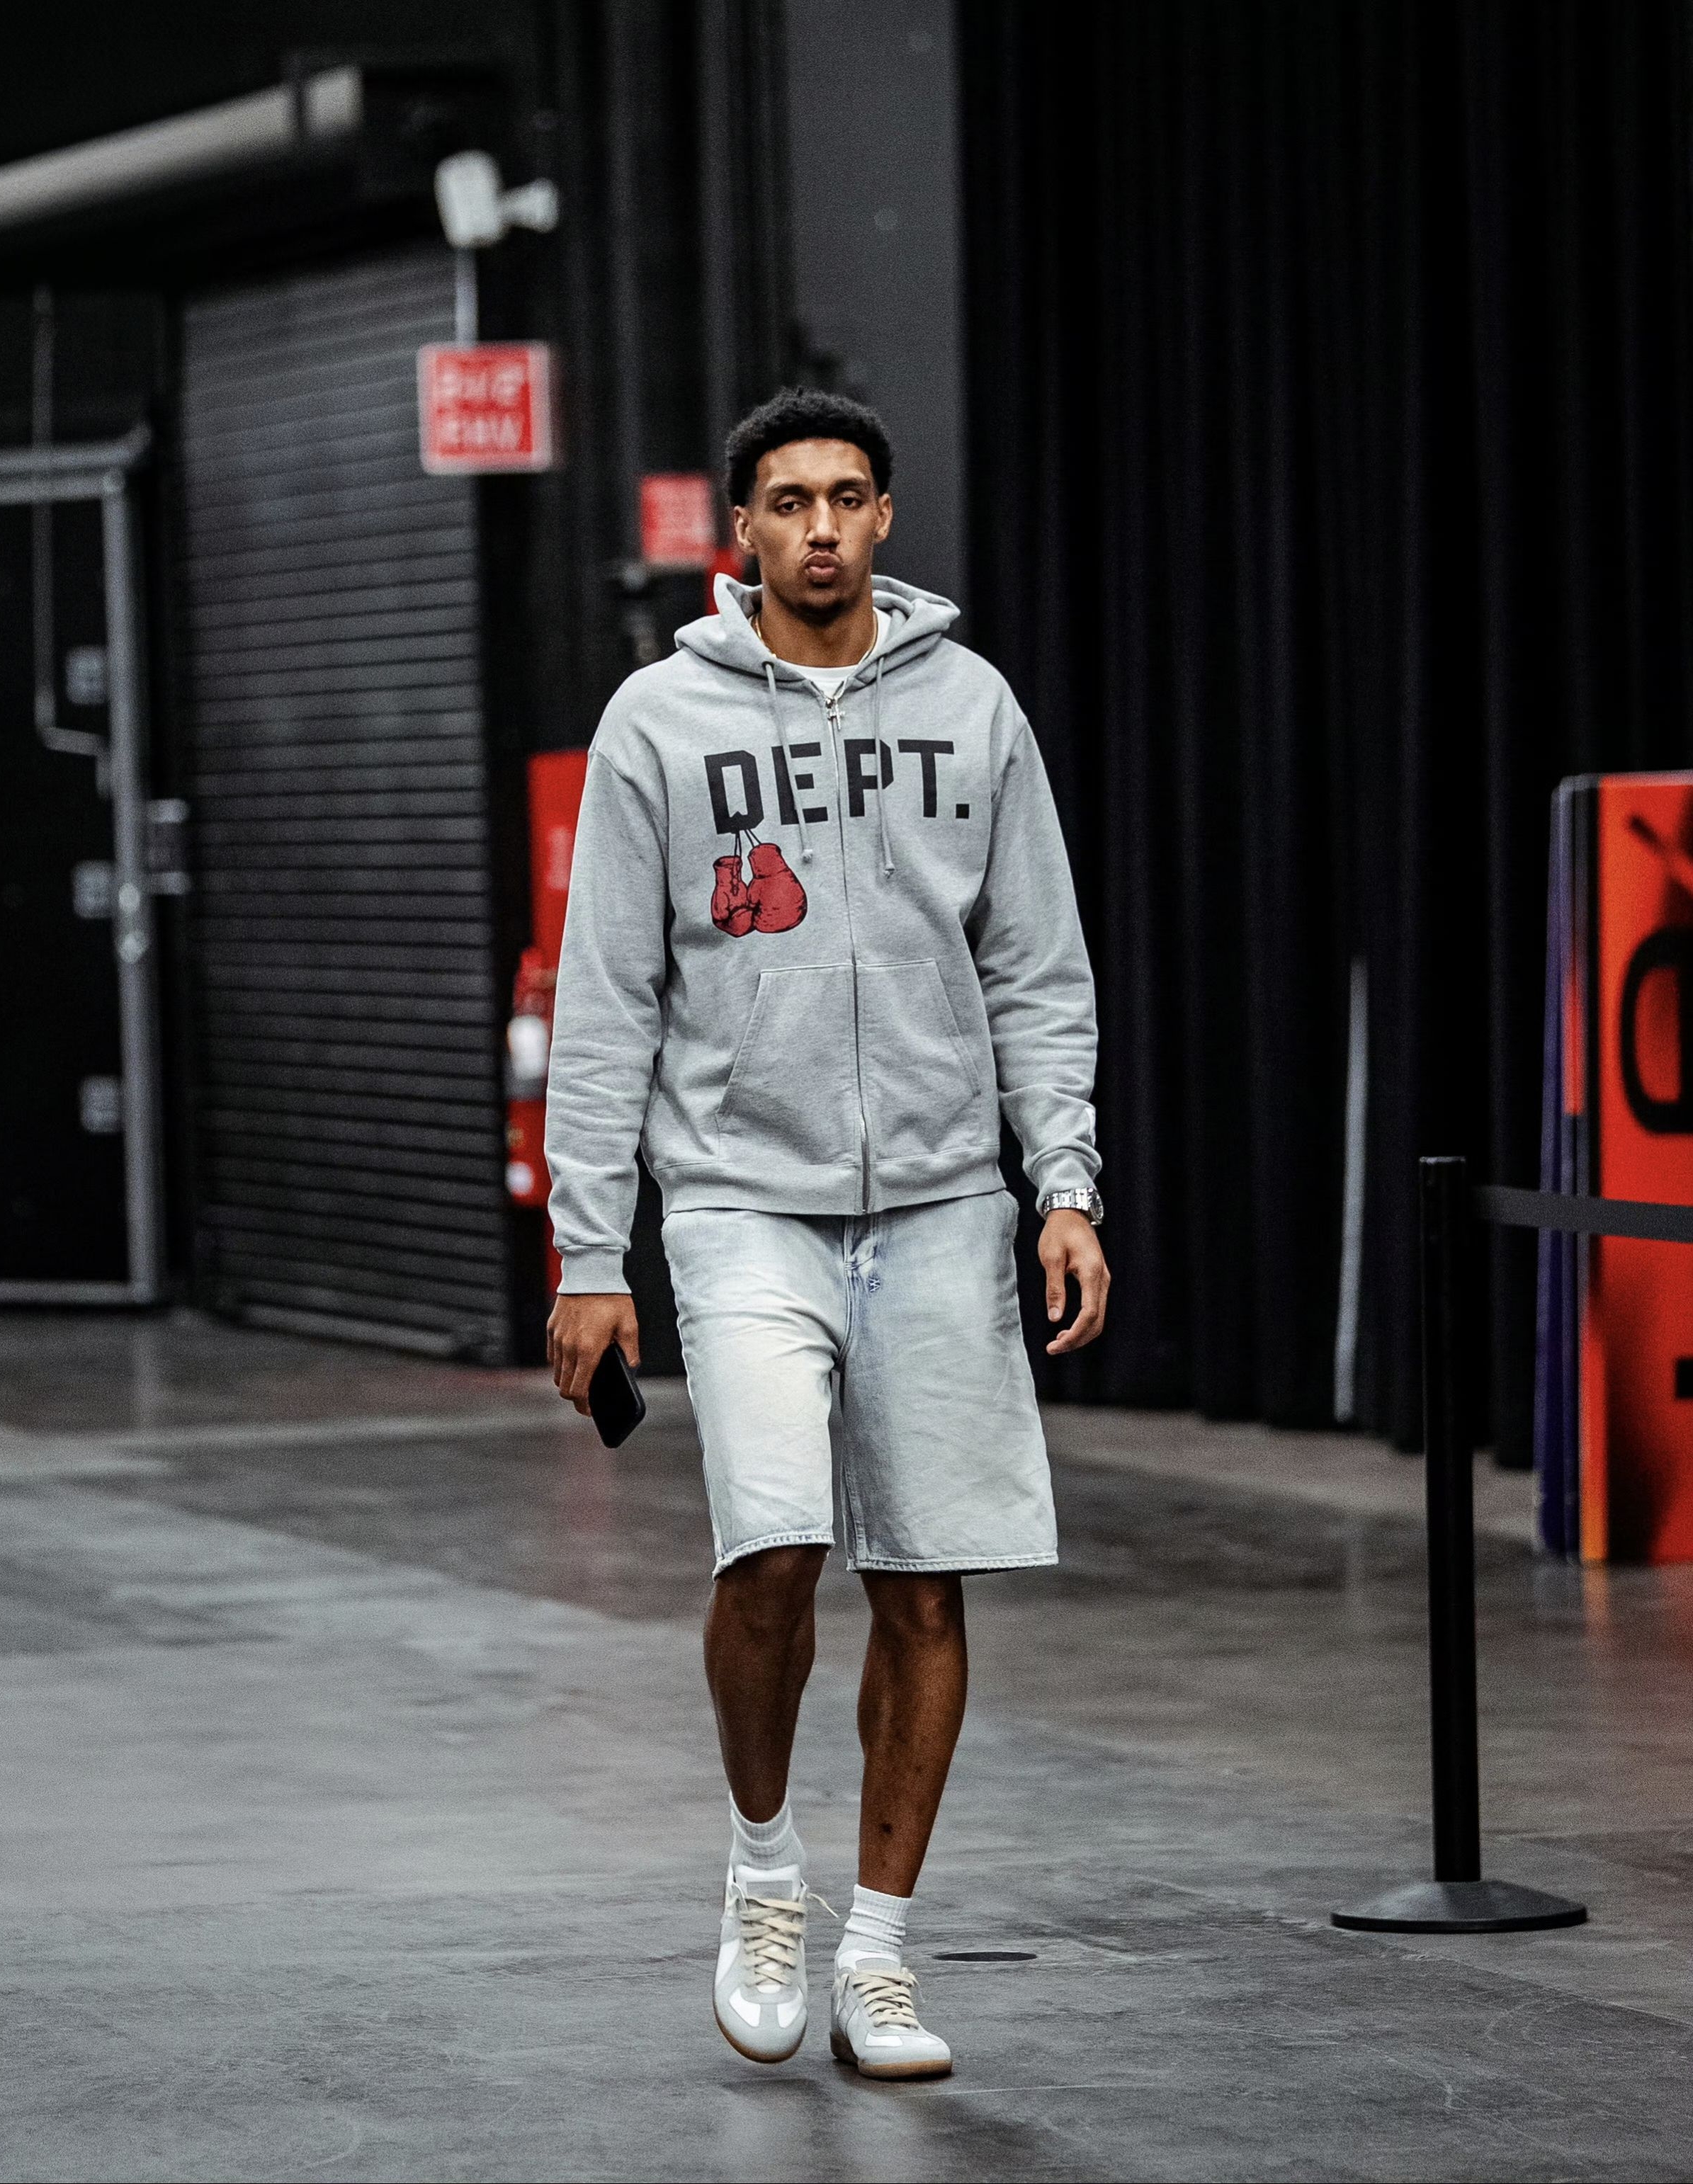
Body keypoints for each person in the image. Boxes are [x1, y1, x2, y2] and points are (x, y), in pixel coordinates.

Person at [544, 386, 1105, 2081]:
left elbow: (1036, 969)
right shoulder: (659, 720)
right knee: (772, 1553)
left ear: (882, 518)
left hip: (938, 1199)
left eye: (845, 498)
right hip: (737, 1200)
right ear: (742, 530)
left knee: (922, 1582)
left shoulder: (972, 706)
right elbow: (605, 999)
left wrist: (1061, 1184)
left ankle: (877, 1953)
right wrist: (590, 1255)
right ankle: (762, 1868)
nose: (817, 527)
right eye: (786, 500)